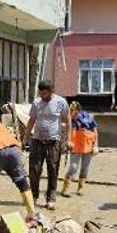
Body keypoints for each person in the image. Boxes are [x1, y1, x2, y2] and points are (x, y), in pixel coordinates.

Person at [25, 79, 71, 210]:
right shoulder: (36, 102)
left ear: (52, 91)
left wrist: (69, 139)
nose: (42, 96)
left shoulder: (61, 102)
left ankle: (51, 198)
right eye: (41, 93)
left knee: (53, 170)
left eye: (44, 93)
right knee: (34, 170)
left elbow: (68, 120)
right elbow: (32, 120)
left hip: (54, 141)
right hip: (37, 141)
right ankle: (34, 196)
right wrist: (26, 137)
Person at [61, 102, 98, 197]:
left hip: (88, 146)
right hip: (75, 146)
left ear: (78, 110)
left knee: (85, 168)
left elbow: (95, 131)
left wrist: (95, 145)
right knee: (73, 167)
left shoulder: (89, 117)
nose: (71, 112)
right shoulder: (69, 119)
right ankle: (65, 189)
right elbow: (67, 131)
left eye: (73, 110)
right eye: (70, 110)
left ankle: (80, 188)